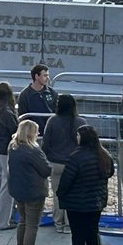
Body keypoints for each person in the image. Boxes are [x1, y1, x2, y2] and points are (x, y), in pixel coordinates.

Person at [56, 125, 115, 245]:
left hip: (76, 204)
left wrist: (60, 194)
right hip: (96, 202)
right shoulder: (104, 155)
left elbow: (66, 181)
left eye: (78, 135)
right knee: (92, 233)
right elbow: (110, 173)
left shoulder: (75, 157)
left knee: (78, 235)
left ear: (82, 138)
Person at [8, 118, 51, 245]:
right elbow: (46, 170)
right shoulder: (33, 150)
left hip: (18, 189)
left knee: (23, 221)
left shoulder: (13, 147)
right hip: (34, 191)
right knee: (32, 225)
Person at [42, 93, 87, 233]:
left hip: (55, 163)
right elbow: (86, 144)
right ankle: (69, 224)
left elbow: (45, 143)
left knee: (57, 194)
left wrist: (49, 157)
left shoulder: (52, 121)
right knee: (72, 194)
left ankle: (58, 223)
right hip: (74, 164)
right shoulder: (81, 122)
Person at [0, 83, 19, 231]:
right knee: (7, 184)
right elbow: (14, 130)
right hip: (5, 149)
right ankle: (2, 221)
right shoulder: (6, 112)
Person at [17, 64, 58, 133]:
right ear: (36, 76)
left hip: (49, 132)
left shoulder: (52, 93)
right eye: (45, 75)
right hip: (31, 133)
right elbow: (22, 116)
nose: (48, 78)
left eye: (48, 75)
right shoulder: (25, 95)